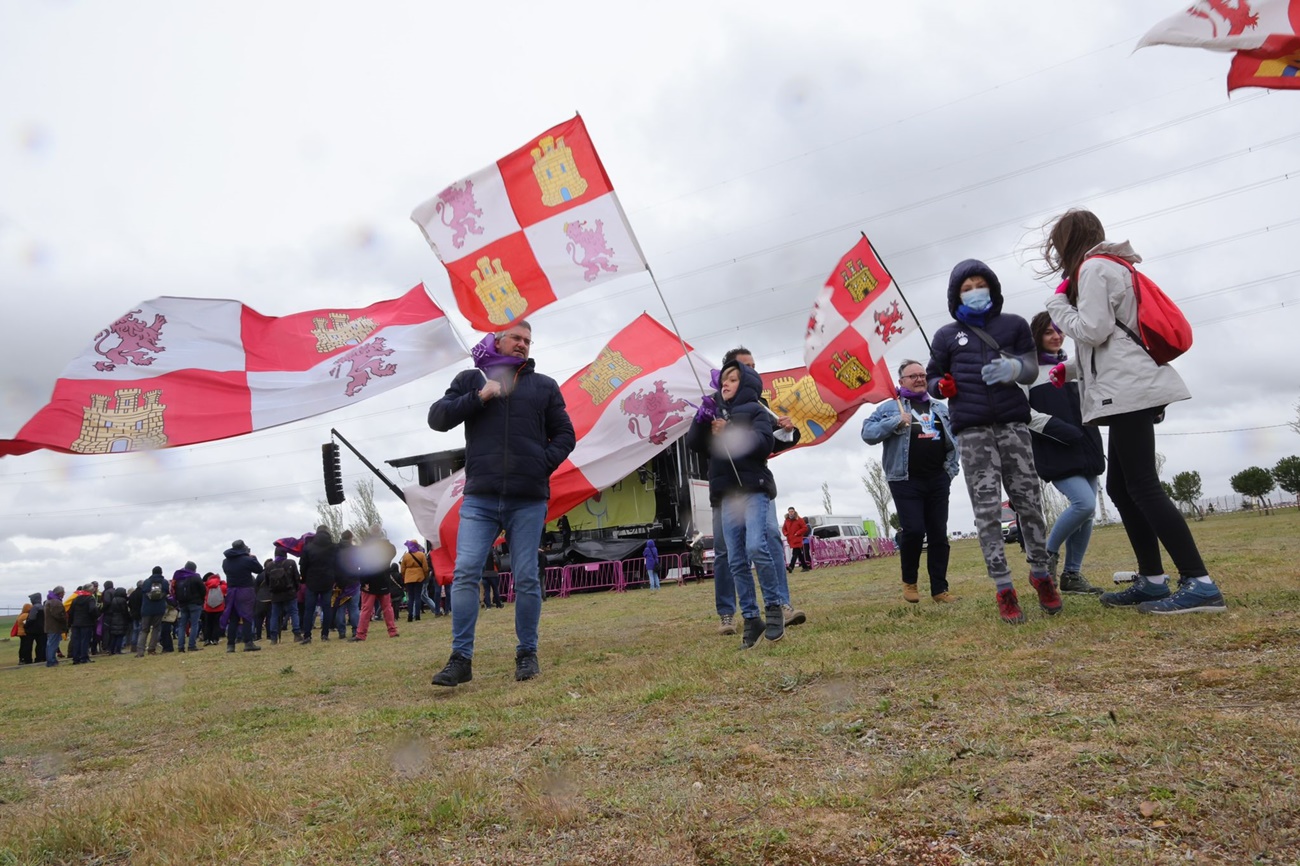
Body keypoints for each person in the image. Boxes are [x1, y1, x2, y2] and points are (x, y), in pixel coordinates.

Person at [1041, 209, 1226, 613]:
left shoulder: (1092, 268)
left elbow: (1093, 329)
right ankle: (1154, 581)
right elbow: (1109, 340)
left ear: (1069, 242)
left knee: (1141, 485)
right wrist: (1069, 368)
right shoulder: (1111, 266)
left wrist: (1057, 306)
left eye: (1057, 246)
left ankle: (1200, 582)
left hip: (1128, 391)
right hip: (1127, 386)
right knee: (1121, 488)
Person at [427, 322, 576, 688]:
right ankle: (461, 659)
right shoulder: (470, 379)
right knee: (465, 574)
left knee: (526, 577)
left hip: (528, 498)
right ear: (497, 341)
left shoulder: (544, 387)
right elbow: (437, 418)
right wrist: (479, 397)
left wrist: (540, 463)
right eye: (516, 338)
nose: (523, 345)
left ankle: (527, 653)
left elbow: (566, 434)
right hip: (480, 497)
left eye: (528, 340)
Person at [927, 259, 1059, 624]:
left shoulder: (1014, 325)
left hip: (1013, 425)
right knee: (987, 512)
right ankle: (1004, 587)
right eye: (966, 287)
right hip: (972, 432)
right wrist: (943, 387)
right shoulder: (945, 336)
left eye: (979, 284)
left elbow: (1032, 368)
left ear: (993, 287)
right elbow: (933, 376)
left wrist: (1014, 368)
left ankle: (1042, 574)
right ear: (956, 295)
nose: (974, 292)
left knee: (1028, 502)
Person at [686, 359, 785, 648]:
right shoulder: (713, 412)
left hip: (753, 490)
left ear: (748, 384)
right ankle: (752, 618)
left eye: (733, 379)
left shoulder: (756, 410)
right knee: (735, 559)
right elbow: (695, 443)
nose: (725, 384)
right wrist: (702, 418)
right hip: (726, 493)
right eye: (724, 379)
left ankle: (774, 606)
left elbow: (764, 443)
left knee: (756, 545)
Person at [862, 359, 961, 604]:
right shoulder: (890, 408)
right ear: (901, 381)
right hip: (905, 480)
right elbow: (867, 433)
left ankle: (939, 589)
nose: (919, 379)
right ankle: (910, 582)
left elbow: (954, 440)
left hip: (938, 479)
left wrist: (949, 471)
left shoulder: (940, 408)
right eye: (912, 376)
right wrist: (896, 421)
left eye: (922, 375)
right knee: (914, 530)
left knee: (939, 534)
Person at [1025, 312, 1105, 595]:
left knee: (1088, 514)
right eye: (1048, 332)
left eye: (1059, 331)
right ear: (1037, 336)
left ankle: (1072, 576)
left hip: (1088, 444)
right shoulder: (1028, 371)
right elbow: (1023, 412)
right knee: (1083, 504)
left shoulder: (1075, 366)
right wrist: (1057, 428)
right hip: (1055, 447)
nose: (1056, 336)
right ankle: (1045, 558)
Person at [351, 528, 399, 641]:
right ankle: (393, 631)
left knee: (366, 609)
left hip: (370, 582)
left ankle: (361, 634)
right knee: (387, 608)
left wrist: (363, 582)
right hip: (384, 581)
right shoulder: (387, 547)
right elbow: (393, 551)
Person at [220, 540, 264, 652]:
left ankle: (230, 645)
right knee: (247, 617)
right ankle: (248, 642)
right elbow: (259, 569)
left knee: (233, 618)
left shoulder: (225, 561)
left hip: (231, 591)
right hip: (245, 590)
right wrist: (253, 557)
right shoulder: (247, 559)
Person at [299, 527, 337, 643]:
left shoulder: (308, 548)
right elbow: (337, 564)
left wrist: (304, 578)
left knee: (309, 610)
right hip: (327, 581)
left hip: (312, 581)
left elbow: (303, 566)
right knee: (327, 608)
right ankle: (325, 634)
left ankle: (307, 636)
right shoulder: (333, 547)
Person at [263, 546, 303, 643]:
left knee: (275, 615)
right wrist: (296, 589)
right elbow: (296, 578)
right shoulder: (291, 563)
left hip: (276, 595)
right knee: (293, 612)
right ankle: (297, 633)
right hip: (290, 593)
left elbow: (267, 582)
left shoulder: (269, 566)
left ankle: (273, 637)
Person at [135, 568, 170, 656]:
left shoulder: (146, 582)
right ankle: (151, 649)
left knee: (144, 630)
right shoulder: (164, 582)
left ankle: (140, 651)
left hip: (146, 609)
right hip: (159, 609)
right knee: (156, 629)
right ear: (161, 572)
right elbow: (166, 593)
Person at [172, 561, 206, 652]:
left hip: (183, 604)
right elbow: (203, 590)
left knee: (182, 625)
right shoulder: (196, 577)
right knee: (194, 624)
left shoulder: (178, 577)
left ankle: (180, 646)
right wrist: (201, 600)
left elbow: (174, 590)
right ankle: (191, 645)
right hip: (195, 603)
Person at [67, 585, 100, 664]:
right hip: (86, 623)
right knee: (85, 641)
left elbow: (71, 612)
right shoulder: (90, 599)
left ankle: (76, 658)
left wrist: (71, 622)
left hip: (76, 623)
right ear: (90, 591)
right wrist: (95, 617)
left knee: (76, 641)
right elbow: (92, 609)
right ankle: (84, 658)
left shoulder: (76, 599)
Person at [400, 540, 429, 621]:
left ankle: (410, 616)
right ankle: (417, 615)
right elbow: (425, 567)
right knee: (417, 597)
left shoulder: (405, 556)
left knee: (410, 597)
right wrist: (425, 576)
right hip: (419, 577)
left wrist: (404, 576)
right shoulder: (421, 555)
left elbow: (402, 569)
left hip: (408, 578)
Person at [44, 587, 68, 667]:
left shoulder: (50, 601)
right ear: (60, 593)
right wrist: (64, 618)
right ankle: (51, 661)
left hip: (50, 626)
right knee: (53, 644)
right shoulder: (56, 602)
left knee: (50, 644)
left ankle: (51, 659)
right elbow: (58, 615)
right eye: (63, 592)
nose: (64, 594)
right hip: (54, 626)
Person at [782, 508, 811, 573]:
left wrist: (798, 533)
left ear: (794, 511)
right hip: (791, 539)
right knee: (799, 554)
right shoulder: (786, 521)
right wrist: (786, 534)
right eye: (789, 511)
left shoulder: (799, 519)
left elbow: (804, 528)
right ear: (788, 512)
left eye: (792, 511)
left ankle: (791, 567)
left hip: (797, 539)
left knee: (794, 553)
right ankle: (805, 567)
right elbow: (784, 529)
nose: (791, 513)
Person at [201, 573, 226, 646]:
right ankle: (215, 639)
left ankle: (207, 639)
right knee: (216, 624)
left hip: (208, 608)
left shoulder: (206, 586)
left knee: (207, 624)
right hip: (219, 608)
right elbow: (226, 590)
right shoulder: (222, 586)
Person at [105, 587, 130, 655]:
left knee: (114, 636)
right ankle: (118, 650)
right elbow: (124, 611)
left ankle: (112, 650)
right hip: (121, 618)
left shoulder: (113, 599)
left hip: (113, 618)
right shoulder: (123, 600)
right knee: (120, 635)